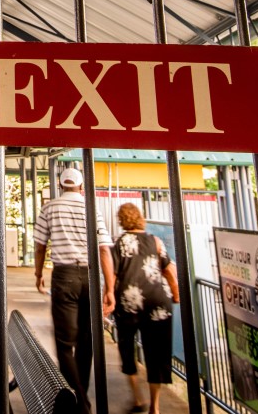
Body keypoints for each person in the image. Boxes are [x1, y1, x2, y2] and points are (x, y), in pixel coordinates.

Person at [34, 167, 116, 412]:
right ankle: (80, 395)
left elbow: (40, 246)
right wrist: (109, 288)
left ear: (60, 186)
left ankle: (78, 400)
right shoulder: (91, 209)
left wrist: (38, 274)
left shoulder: (49, 208)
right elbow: (104, 250)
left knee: (64, 341)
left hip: (64, 276)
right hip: (91, 277)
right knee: (87, 340)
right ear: (81, 187)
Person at [111, 202, 179, 414]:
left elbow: (113, 276)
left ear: (121, 220)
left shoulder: (118, 244)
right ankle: (155, 406)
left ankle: (138, 399)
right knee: (155, 354)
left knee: (127, 351)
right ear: (140, 218)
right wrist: (176, 294)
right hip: (156, 302)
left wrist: (109, 298)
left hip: (128, 304)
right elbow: (168, 271)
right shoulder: (155, 241)